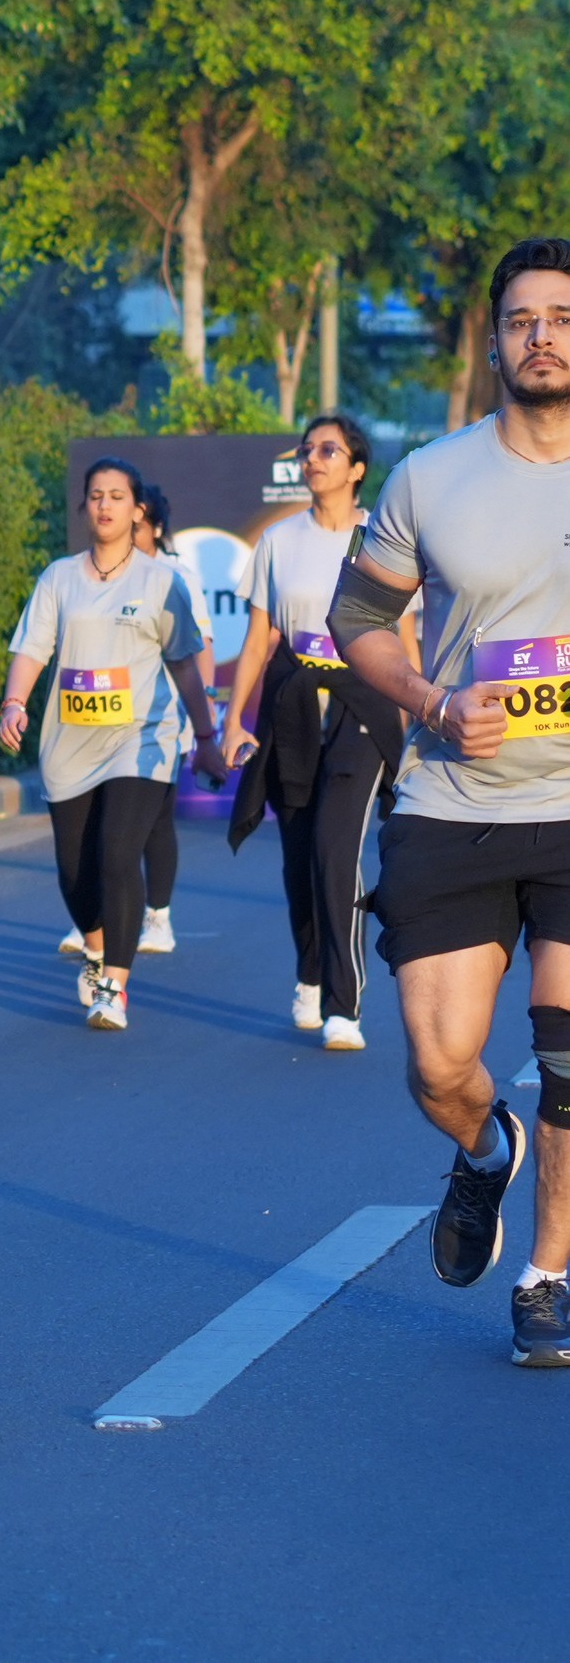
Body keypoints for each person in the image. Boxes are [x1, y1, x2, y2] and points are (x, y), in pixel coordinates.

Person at [329, 237, 570, 1366]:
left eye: (561, 317)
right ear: (493, 342)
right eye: (522, 319)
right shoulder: (430, 477)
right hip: (453, 796)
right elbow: (357, 619)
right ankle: (484, 1151)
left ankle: (547, 1276)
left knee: (567, 1053)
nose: (543, 336)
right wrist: (432, 699)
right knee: (437, 1062)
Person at [0, 457, 224, 1030]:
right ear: (85, 506)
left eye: (117, 496)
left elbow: (185, 664)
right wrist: (14, 702)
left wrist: (205, 737)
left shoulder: (161, 581)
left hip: (139, 739)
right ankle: (96, 950)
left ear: (137, 510)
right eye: (96, 495)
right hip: (70, 742)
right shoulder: (59, 578)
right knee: (74, 871)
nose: (105, 505)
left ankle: (114, 988)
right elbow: (32, 649)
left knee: (118, 852)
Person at [221, 413, 410, 1052]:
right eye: (307, 449)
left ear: (357, 468)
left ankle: (343, 1004)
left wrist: (413, 722)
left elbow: (404, 638)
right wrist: (233, 721)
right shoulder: (278, 539)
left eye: (328, 450)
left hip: (364, 705)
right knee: (300, 855)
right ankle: (309, 971)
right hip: (295, 705)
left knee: (336, 849)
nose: (313, 459)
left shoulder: (381, 538)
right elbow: (259, 640)